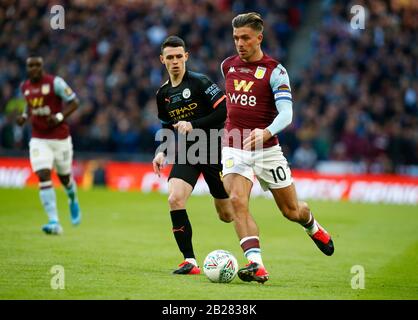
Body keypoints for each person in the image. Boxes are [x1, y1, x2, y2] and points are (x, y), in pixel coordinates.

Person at [220, 12, 334, 284]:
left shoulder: (276, 71)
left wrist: (266, 132)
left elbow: (287, 114)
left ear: (259, 38)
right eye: (236, 38)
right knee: (237, 202)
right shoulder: (228, 66)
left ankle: (313, 226)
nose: (240, 43)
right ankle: (256, 264)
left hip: (268, 150)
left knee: (291, 211)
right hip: (234, 147)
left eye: (245, 38)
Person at [152, 36, 234, 275]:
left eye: (179, 56)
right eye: (170, 57)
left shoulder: (200, 82)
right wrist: (161, 152)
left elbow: (224, 110)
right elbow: (167, 126)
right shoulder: (163, 94)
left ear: (186, 56)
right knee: (174, 199)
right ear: (162, 60)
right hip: (188, 151)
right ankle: (190, 261)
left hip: (214, 149)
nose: (175, 61)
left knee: (227, 215)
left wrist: (193, 124)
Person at [16, 53, 82, 235]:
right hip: (39, 138)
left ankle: (72, 197)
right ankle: (54, 221)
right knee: (43, 173)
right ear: (27, 68)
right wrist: (24, 116)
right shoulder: (25, 87)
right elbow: (29, 106)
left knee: (64, 178)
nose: (34, 69)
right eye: (31, 66)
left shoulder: (55, 83)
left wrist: (60, 116)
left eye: (37, 65)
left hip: (60, 138)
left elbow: (75, 102)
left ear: (42, 66)